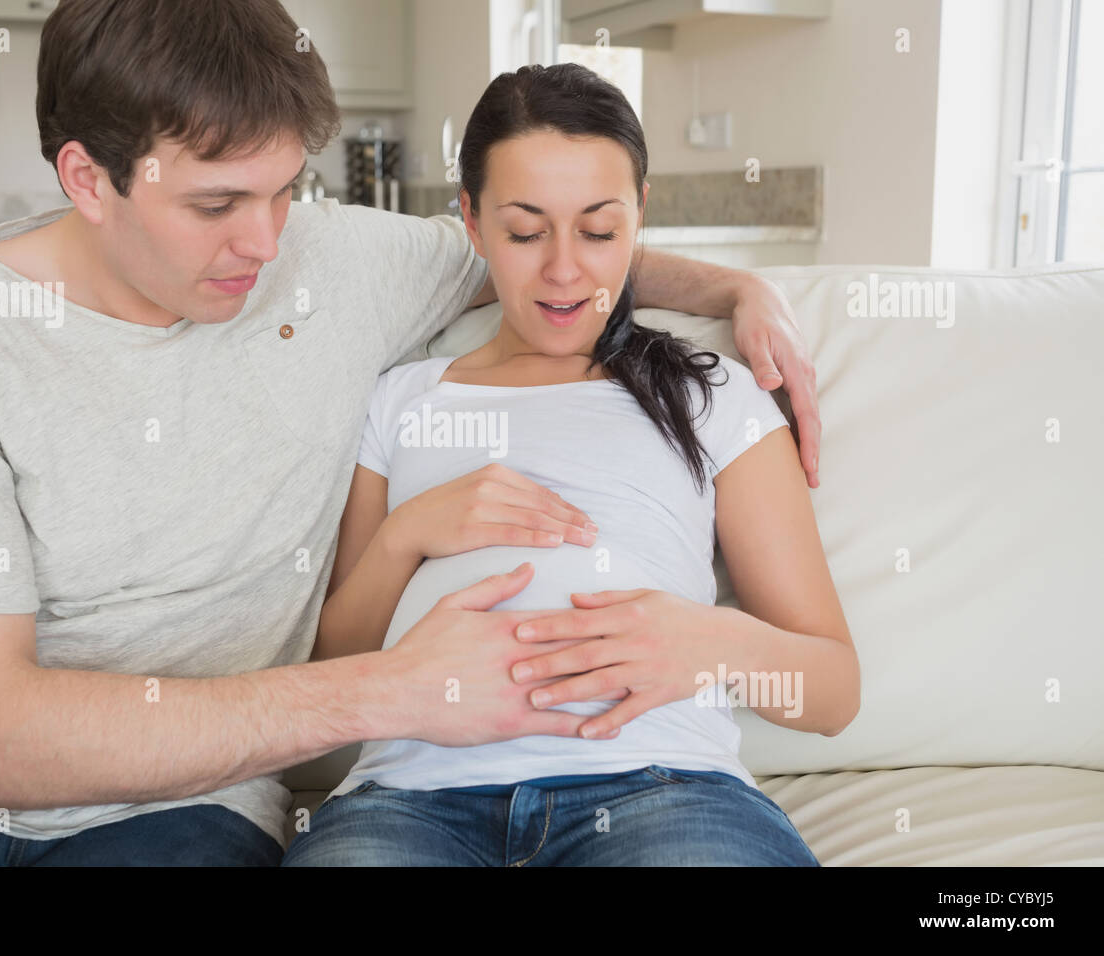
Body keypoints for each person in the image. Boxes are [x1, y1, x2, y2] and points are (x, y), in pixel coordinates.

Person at [0, 0, 823, 866]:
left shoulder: (333, 261)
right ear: (86, 180)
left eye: (288, 189)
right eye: (217, 203)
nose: (265, 242)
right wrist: (390, 685)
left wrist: (739, 288)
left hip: (186, 801)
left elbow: (550, 256)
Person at [282, 62, 856, 867]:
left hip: (664, 791)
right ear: (472, 225)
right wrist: (406, 535)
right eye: (524, 232)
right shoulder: (399, 398)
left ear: (639, 217)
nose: (564, 271)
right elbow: (334, 672)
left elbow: (832, 692)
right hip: (412, 804)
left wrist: (708, 643)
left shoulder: (709, 395)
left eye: (598, 230)